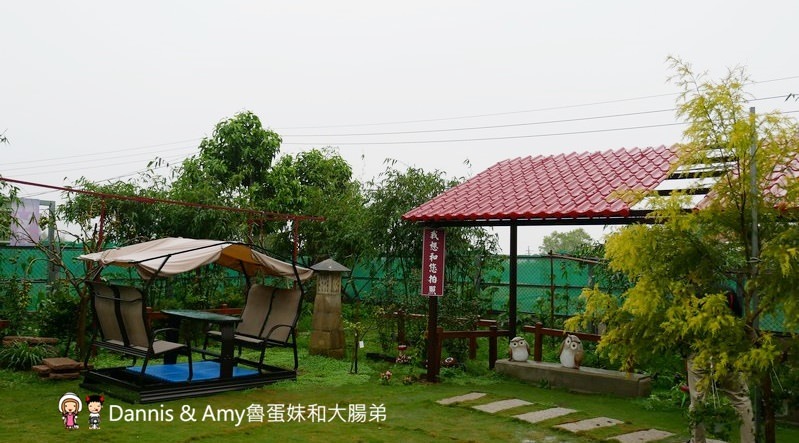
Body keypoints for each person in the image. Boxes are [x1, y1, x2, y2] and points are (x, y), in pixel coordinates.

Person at [686, 289, 754, 443]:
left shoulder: (699, 307)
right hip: (727, 358)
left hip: (700, 357)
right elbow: (748, 337)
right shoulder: (735, 323)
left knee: (697, 401)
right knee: (742, 400)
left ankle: (697, 441)